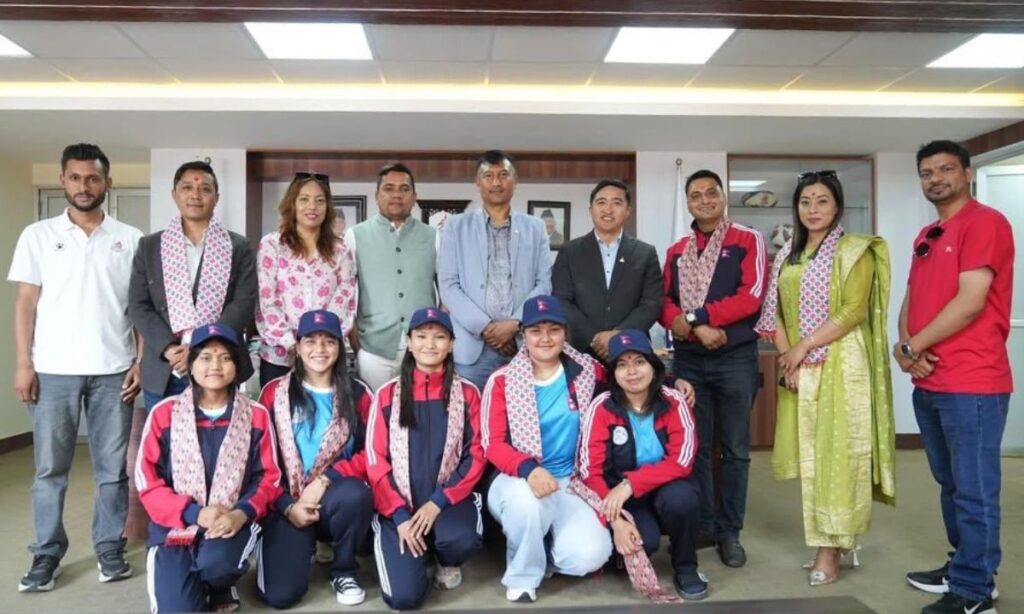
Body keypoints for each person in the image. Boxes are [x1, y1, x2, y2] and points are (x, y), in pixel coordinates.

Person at [9, 143, 143, 593]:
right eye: (75, 178)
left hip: (114, 371)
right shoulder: (38, 235)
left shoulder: (130, 237)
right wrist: (23, 363)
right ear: (63, 180)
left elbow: (139, 308)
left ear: (108, 182)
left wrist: (140, 361)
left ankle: (109, 546)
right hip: (52, 371)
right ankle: (46, 553)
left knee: (112, 471)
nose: (84, 186)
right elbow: (25, 303)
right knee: (50, 471)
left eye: (92, 178)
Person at [755, 170, 896, 587]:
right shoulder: (787, 255)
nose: (813, 209)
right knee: (814, 461)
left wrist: (803, 348)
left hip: (841, 363)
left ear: (837, 206)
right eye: (805, 202)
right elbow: (774, 314)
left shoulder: (854, 251)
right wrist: (789, 359)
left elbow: (852, 311)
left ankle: (831, 549)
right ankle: (829, 540)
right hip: (800, 367)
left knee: (839, 458)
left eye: (821, 201)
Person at [896, 141, 1013, 614]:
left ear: (967, 173)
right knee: (950, 483)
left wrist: (914, 346)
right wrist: (906, 347)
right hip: (931, 382)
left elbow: (971, 301)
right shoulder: (930, 230)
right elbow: (911, 296)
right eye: (926, 172)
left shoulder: (986, 223)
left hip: (973, 383)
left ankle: (974, 591)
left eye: (946, 169)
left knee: (974, 487)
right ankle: (964, 564)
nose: (935, 179)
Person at [659, 169, 767, 567]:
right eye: (695, 195)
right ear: (688, 202)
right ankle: (703, 524)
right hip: (690, 358)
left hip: (734, 357)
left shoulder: (747, 238)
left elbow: (751, 296)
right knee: (697, 446)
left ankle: (729, 531)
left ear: (723, 197)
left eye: (710, 193)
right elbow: (663, 302)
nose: (703, 200)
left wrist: (702, 319)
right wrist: (690, 326)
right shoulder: (676, 250)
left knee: (736, 449)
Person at [135, 323, 282, 613]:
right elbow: (148, 481)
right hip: (175, 526)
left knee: (216, 565)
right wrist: (194, 513)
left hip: (230, 521)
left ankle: (219, 583)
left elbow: (269, 478)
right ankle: (191, 582)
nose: (215, 365)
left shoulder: (255, 415)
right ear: (190, 365)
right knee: (177, 608)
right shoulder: (164, 414)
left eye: (225, 357)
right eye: (205, 357)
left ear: (237, 367)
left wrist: (242, 514)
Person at [482, 295, 612, 603]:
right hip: (516, 479)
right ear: (523, 334)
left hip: (570, 480)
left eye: (553, 330)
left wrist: (673, 384)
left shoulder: (586, 371)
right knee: (529, 503)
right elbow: (492, 443)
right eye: (535, 330)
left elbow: (630, 383)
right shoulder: (501, 380)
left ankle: (546, 548)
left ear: (565, 333)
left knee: (590, 555)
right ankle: (523, 576)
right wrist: (529, 469)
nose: (545, 338)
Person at [366, 307, 486, 610]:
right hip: (401, 509)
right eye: (421, 336)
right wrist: (400, 515)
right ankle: (418, 550)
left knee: (461, 539)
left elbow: (477, 455)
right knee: (404, 598)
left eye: (439, 337)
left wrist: (439, 502)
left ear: (452, 344)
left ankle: (445, 557)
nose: (430, 344)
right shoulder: (387, 395)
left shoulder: (468, 394)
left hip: (447, 502)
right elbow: (375, 461)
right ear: (409, 341)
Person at [255, 309, 374, 608]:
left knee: (355, 494)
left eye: (329, 341)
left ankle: (344, 568)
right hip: (285, 502)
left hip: (335, 497)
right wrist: (286, 505)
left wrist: (325, 480)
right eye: (311, 341)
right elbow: (261, 461)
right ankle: (301, 544)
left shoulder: (358, 394)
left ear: (340, 346)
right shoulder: (274, 393)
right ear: (297, 346)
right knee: (280, 596)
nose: (320, 350)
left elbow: (370, 454)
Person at [578, 329, 704, 601]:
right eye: (622, 365)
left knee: (683, 499)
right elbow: (591, 471)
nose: (631, 372)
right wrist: (617, 521)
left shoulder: (674, 401)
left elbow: (682, 460)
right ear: (612, 373)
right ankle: (621, 549)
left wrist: (631, 484)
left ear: (653, 365)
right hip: (623, 499)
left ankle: (686, 565)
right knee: (643, 542)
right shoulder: (601, 407)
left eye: (639, 362)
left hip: (665, 487)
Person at [129, 160, 258, 410]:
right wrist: (168, 347)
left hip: (218, 364)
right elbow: (138, 304)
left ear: (216, 197)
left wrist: (202, 348)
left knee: (219, 442)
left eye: (205, 189)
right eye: (187, 188)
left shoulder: (238, 246)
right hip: (165, 366)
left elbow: (243, 303)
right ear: (174, 195)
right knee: (166, 442)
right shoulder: (150, 246)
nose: (195, 195)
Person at [438, 149, 552, 390]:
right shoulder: (456, 227)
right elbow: (448, 285)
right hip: (472, 348)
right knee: (470, 420)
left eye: (504, 174)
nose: (496, 182)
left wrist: (514, 324)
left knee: (522, 418)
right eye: (488, 176)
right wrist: (487, 328)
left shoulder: (535, 227)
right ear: (477, 183)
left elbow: (544, 283)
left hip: (521, 343)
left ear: (515, 181)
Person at [255, 171, 357, 388]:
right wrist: (292, 344)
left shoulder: (340, 250)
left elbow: (345, 297)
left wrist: (316, 345)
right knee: (277, 419)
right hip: (280, 356)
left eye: (320, 201)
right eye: (304, 199)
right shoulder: (272, 245)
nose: (312, 206)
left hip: (324, 356)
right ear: (292, 204)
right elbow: (266, 300)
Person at [345, 162, 437, 391]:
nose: (396, 195)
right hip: (374, 348)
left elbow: (446, 295)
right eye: (388, 188)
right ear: (377, 195)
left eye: (404, 189)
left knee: (421, 414)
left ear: (414, 196)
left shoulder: (433, 237)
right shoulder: (355, 236)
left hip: (423, 347)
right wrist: (357, 342)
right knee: (377, 416)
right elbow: (345, 294)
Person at [553, 179, 661, 360]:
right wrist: (595, 338)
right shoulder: (569, 251)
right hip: (581, 350)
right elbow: (562, 301)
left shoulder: (645, 253)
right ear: (591, 210)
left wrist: (618, 335)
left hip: (631, 351)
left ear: (627, 211)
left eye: (617, 203)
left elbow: (652, 303)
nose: (608, 210)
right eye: (601, 202)